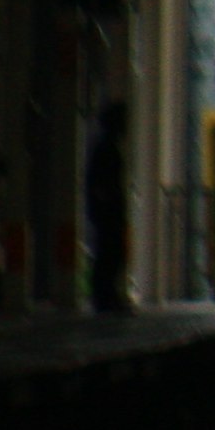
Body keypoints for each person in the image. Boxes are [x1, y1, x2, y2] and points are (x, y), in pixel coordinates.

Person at [82, 100, 132, 314]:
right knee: (109, 253)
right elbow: (103, 183)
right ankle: (105, 297)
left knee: (109, 253)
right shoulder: (107, 149)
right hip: (108, 211)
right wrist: (110, 205)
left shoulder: (103, 146)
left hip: (105, 209)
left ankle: (105, 297)